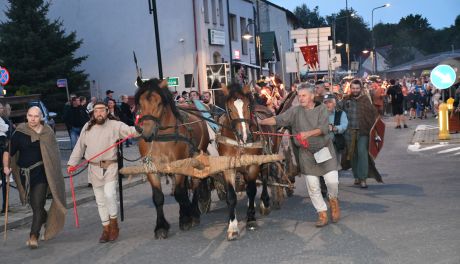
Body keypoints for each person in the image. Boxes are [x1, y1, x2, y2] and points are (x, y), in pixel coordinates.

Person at [258, 83, 340, 227]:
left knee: (332, 182)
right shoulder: (295, 111)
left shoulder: (322, 109)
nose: (300, 98)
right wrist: (260, 122)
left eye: (304, 95)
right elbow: (278, 120)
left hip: (324, 150)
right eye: (298, 95)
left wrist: (307, 133)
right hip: (306, 153)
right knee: (313, 186)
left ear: (312, 96)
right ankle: (321, 213)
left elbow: (323, 129)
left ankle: (333, 201)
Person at [67, 102, 139, 243]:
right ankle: (106, 229)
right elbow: (79, 147)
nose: (99, 113)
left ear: (107, 111)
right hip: (93, 168)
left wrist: (140, 127)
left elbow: (131, 131)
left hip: (110, 167)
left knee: (109, 194)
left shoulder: (115, 125)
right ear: (93, 112)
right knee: (100, 200)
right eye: (96, 110)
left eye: (102, 110)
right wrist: (71, 163)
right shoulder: (87, 127)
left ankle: (114, 225)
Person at [3, 107, 66, 249]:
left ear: (41, 117)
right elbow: (8, 151)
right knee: (35, 206)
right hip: (24, 175)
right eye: (30, 116)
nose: (33, 119)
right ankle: (44, 219)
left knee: (37, 205)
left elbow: (53, 155)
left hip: (42, 174)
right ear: (27, 116)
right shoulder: (19, 133)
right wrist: (6, 167)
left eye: (36, 116)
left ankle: (33, 236)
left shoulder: (47, 132)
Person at [340, 79, 382, 188]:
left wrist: (375, 131)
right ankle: (357, 177)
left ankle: (363, 178)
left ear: (361, 89)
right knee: (353, 156)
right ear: (350, 89)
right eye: (353, 88)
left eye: (357, 88)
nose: (355, 90)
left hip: (363, 132)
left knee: (362, 153)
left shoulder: (365, 100)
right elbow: (337, 111)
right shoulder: (345, 101)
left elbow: (372, 115)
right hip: (349, 133)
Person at [324, 94, 348, 170]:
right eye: (325, 102)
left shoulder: (341, 113)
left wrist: (335, 128)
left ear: (334, 104)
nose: (327, 104)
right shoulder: (319, 114)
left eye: (330, 102)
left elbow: (344, 126)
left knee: (334, 165)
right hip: (321, 143)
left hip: (334, 142)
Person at [0, 103, 10, 214]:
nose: (2, 109)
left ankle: (5, 205)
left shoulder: (3, 119)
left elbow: (8, 129)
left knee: (4, 177)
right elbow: (5, 128)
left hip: (3, 147)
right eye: (1, 108)